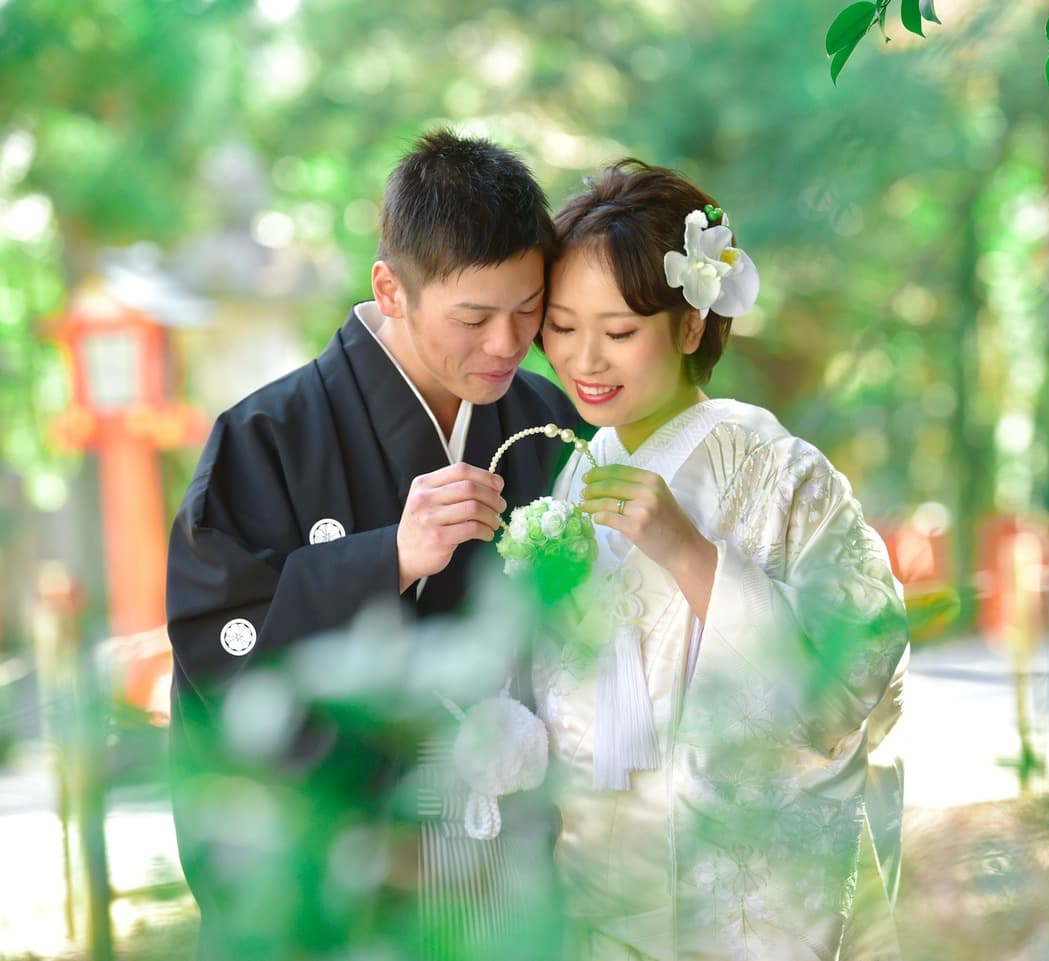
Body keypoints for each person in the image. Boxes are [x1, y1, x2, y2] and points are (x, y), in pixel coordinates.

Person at [165, 130, 579, 960]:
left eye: (527, 310)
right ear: (391, 288)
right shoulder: (265, 436)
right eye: (474, 316)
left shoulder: (548, 426)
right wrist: (385, 555)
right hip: (343, 873)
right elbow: (223, 640)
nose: (506, 344)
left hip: (506, 873)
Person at [532, 159, 910, 960]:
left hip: (740, 907)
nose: (585, 360)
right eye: (562, 327)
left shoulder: (782, 472)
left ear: (692, 325)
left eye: (620, 331)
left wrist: (692, 556)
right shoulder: (568, 474)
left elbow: (849, 681)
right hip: (595, 896)